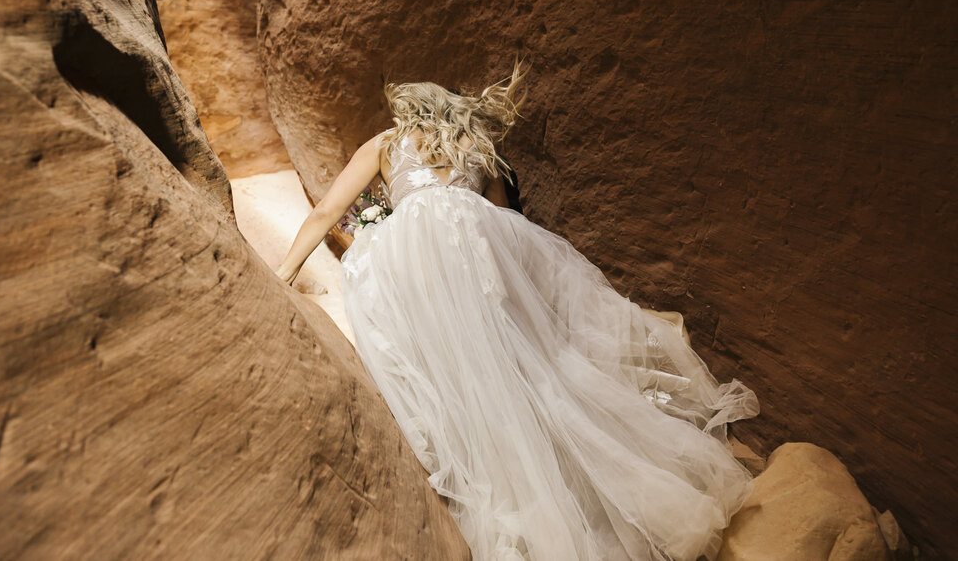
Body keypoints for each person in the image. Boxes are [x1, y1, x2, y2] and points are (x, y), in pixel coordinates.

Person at [275, 58, 760, 561]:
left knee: (450, 361)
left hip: (415, 256)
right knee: (520, 364)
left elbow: (328, 211)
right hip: (479, 248)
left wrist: (284, 271)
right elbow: (505, 218)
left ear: (408, 108)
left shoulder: (386, 143)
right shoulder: (475, 148)